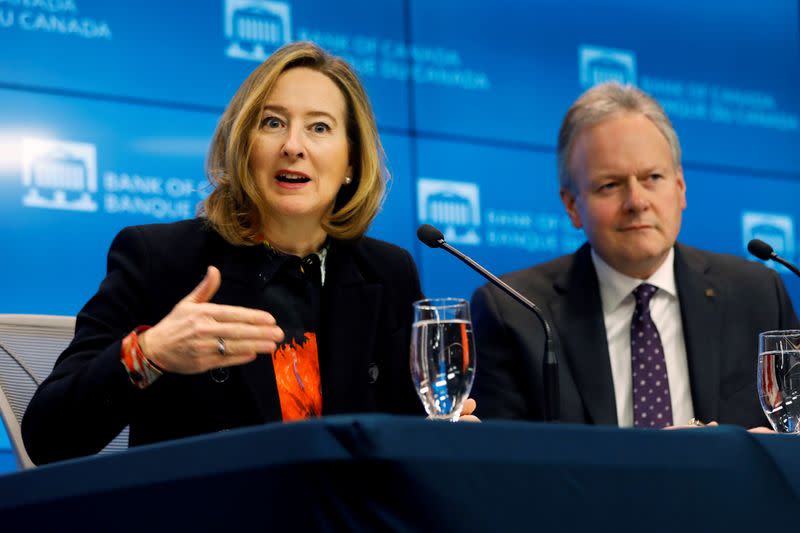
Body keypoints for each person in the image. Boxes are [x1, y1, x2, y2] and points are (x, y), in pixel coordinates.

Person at [22, 42, 476, 466]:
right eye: (272, 122)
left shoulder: (386, 272)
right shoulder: (161, 259)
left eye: (319, 127)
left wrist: (440, 439)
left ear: (351, 163)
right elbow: (48, 437)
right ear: (244, 146)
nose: (293, 146)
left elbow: (402, 436)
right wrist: (152, 352)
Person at [471, 82, 798, 429]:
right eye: (610, 185)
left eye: (653, 177)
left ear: (680, 187)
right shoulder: (515, 312)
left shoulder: (757, 295)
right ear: (572, 206)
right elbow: (502, 468)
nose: (637, 202)